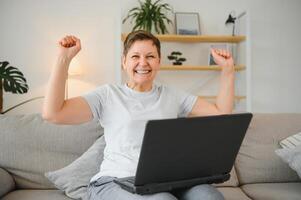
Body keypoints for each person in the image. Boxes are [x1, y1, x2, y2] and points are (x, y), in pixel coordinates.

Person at [42, 30, 235, 200]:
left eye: (150, 56)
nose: (143, 63)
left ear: (159, 61)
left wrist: (227, 70)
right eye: (135, 56)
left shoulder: (172, 95)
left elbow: (222, 114)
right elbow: (53, 114)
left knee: (210, 196)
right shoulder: (107, 95)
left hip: (167, 181)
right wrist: (63, 58)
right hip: (114, 182)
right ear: (124, 61)